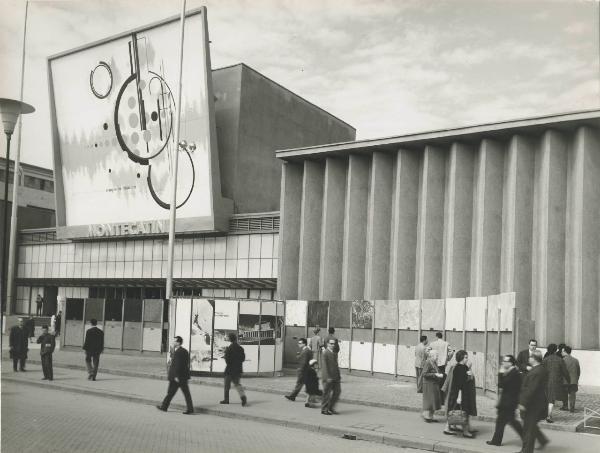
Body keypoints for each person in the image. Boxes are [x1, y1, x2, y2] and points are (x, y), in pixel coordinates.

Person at [486, 354, 524, 446]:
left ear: (510, 363)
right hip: (507, 402)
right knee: (505, 422)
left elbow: (502, 384)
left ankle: (527, 439)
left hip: (509, 403)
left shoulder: (514, 373)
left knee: (509, 422)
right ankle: (496, 441)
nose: (503, 362)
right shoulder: (511, 371)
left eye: (505, 361)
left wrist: (500, 373)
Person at [518, 350, 549, 453]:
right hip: (535, 404)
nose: (528, 359)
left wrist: (523, 403)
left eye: (530, 357)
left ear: (534, 359)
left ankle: (526, 451)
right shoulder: (539, 369)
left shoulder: (537, 372)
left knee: (529, 430)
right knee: (529, 428)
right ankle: (526, 450)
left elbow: (531, 389)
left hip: (533, 405)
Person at [157, 336, 194, 414]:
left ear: (178, 343)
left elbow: (178, 365)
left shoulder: (179, 352)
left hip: (177, 377)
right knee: (185, 393)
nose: (173, 342)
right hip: (183, 376)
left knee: (171, 393)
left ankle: (164, 407)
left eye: (174, 341)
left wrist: (176, 376)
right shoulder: (184, 351)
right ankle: (190, 409)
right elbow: (186, 363)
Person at [444, 350, 477, 438]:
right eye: (465, 357)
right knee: (463, 411)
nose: (467, 359)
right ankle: (465, 431)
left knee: (456, 411)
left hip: (460, 393)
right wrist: (459, 397)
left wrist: (470, 376)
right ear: (461, 358)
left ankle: (448, 427)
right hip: (460, 394)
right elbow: (459, 384)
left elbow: (465, 381)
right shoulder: (460, 368)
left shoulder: (463, 367)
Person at [542, 343, 569, 423]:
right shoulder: (560, 360)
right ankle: (549, 416)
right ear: (555, 350)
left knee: (547, 398)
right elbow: (565, 372)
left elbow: (542, 371)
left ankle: (546, 414)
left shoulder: (545, 360)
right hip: (555, 382)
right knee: (551, 399)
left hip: (545, 381)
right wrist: (569, 380)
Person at [220, 333, 247, 406]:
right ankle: (243, 397)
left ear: (230, 339)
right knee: (238, 384)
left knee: (226, 385)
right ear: (235, 339)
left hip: (229, 370)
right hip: (238, 370)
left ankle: (226, 399)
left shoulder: (229, 348)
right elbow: (243, 359)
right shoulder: (241, 348)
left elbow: (227, 360)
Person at [285, 337, 313, 402]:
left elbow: (304, 361)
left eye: (300, 343)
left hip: (303, 369)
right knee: (302, 384)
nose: (298, 344)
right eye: (298, 343)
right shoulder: (306, 350)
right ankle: (293, 396)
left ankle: (293, 396)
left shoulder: (306, 351)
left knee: (300, 383)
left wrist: (301, 370)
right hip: (305, 369)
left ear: (304, 344)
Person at [421, 349, 443, 422]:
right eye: (436, 356)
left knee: (434, 400)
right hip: (429, 384)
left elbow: (437, 371)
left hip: (434, 384)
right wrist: (435, 374)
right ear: (432, 356)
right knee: (430, 401)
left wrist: (440, 374)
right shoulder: (428, 362)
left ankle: (431, 416)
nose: (437, 357)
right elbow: (424, 374)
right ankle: (427, 416)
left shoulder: (434, 362)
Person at [321, 338, 341, 415]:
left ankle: (330, 407)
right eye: (331, 344)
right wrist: (328, 377)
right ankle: (324, 409)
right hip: (328, 377)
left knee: (337, 392)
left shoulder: (334, 353)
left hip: (335, 376)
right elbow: (325, 366)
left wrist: (338, 375)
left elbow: (336, 365)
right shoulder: (325, 353)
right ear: (328, 344)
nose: (333, 345)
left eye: (334, 344)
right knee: (327, 393)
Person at [429, 332, 449, 398]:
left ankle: (435, 394)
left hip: (434, 363)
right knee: (442, 378)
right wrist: (447, 359)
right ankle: (441, 394)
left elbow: (427, 351)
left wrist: (430, 358)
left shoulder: (432, 344)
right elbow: (451, 352)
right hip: (442, 363)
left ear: (436, 336)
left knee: (434, 377)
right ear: (442, 336)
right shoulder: (446, 343)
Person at [561, 346, 580, 413]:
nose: (561, 352)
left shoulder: (563, 360)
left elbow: (561, 371)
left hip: (565, 380)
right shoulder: (576, 360)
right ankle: (572, 407)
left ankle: (565, 406)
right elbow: (578, 371)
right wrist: (576, 379)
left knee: (564, 393)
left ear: (565, 352)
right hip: (574, 381)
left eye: (562, 351)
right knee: (572, 394)